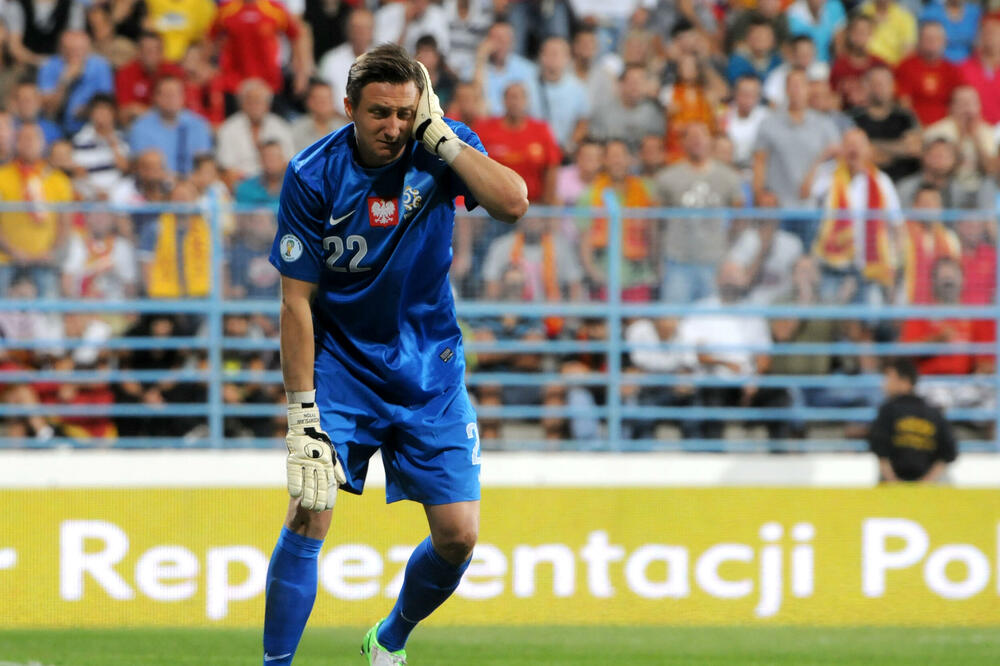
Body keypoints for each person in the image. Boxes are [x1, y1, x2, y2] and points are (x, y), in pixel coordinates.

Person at [263, 44, 527, 666]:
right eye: (379, 113)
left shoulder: (440, 147)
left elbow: (514, 203)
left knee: (459, 537)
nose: (394, 128)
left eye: (406, 113)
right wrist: (302, 414)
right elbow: (294, 303)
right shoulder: (311, 174)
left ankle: (389, 639)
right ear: (350, 108)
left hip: (429, 371)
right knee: (311, 510)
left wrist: (446, 143)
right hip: (343, 369)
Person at [868, 358, 957, 483]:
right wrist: (924, 485)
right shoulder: (933, 411)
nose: (884, 384)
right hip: (927, 486)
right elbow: (948, 453)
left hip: (898, 485)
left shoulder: (888, 410)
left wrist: (895, 485)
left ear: (905, 381)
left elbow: (880, 453)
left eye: (889, 378)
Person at [126, 75, 213, 177]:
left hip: (193, 186)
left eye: (175, 94)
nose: (171, 99)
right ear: (156, 98)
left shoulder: (198, 125)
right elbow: (141, 168)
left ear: (183, 97)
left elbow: (204, 165)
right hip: (156, 185)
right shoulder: (140, 128)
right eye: (167, 95)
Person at [850, 65, 922, 182]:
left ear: (893, 86)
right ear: (866, 87)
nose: (881, 88)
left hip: (902, 180)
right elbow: (852, 152)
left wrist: (872, 146)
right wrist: (898, 148)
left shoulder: (905, 117)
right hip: (862, 180)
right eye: (876, 83)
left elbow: (913, 148)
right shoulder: (853, 118)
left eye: (885, 83)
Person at [894, 20, 961, 126]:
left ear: (944, 42)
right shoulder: (906, 66)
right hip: (914, 126)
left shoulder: (952, 70)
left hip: (946, 127)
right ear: (919, 41)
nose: (932, 42)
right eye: (928, 38)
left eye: (936, 39)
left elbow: (957, 103)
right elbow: (904, 104)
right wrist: (916, 126)